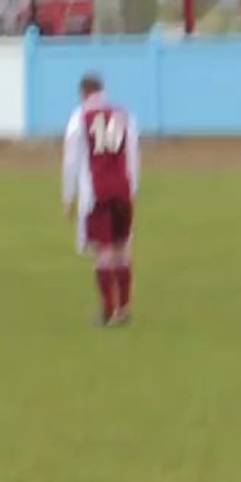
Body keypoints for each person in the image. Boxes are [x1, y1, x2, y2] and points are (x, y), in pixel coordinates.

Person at [62, 73, 139, 327]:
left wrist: (68, 197)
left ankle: (108, 311)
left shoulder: (79, 118)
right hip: (123, 191)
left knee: (103, 251)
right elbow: (133, 156)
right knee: (122, 247)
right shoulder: (124, 116)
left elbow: (71, 161)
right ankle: (125, 307)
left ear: (83, 93)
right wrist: (133, 190)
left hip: (97, 194)